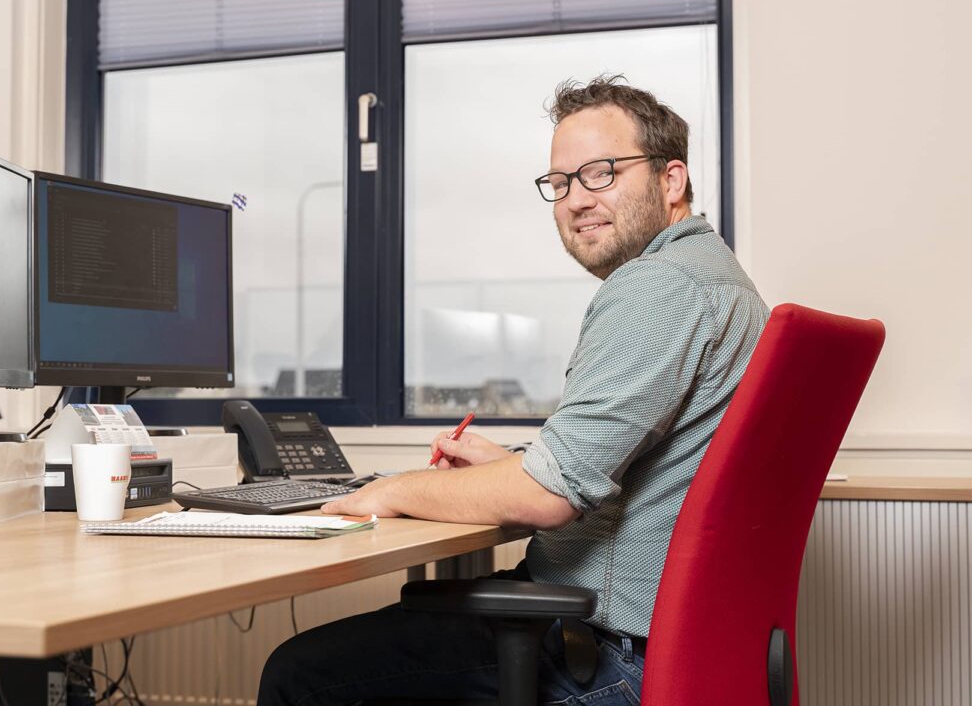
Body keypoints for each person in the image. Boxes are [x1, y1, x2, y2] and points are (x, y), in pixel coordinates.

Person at [257, 75, 769, 705]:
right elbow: (625, 469)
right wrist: (513, 466)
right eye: (561, 183)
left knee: (299, 674)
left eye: (602, 172)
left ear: (671, 180)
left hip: (604, 656)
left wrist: (389, 491)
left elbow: (550, 498)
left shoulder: (658, 287)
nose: (577, 199)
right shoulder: (720, 280)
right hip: (690, 650)